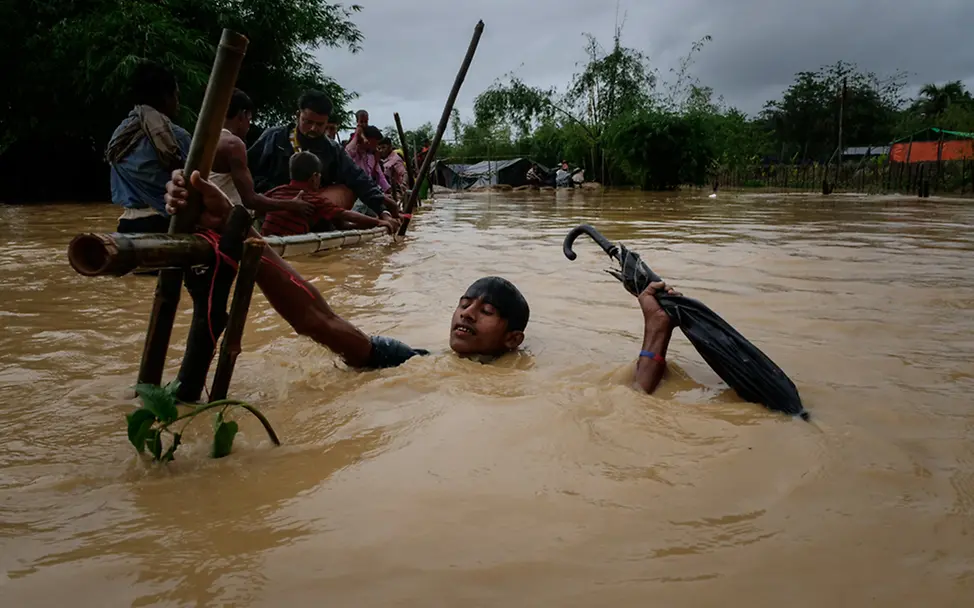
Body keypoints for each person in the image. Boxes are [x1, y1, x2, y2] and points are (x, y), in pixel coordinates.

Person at [163, 169, 679, 394]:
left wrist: (654, 331)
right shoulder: (413, 362)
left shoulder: (535, 382)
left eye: (485, 311)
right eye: (464, 303)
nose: (467, 313)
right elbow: (318, 319)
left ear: (514, 339)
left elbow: (631, 400)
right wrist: (239, 227)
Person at [246, 90, 400, 219]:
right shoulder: (274, 138)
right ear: (297, 115)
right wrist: (282, 198)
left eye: (319, 124)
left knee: (347, 190)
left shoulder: (332, 148)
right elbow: (247, 171)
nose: (313, 128)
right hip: (274, 202)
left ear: (326, 122)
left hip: (314, 207)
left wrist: (382, 209)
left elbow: (358, 178)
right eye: (307, 122)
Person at [106, 60, 192, 233]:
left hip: (127, 226)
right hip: (164, 225)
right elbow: (195, 186)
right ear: (165, 97)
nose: (178, 103)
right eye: (176, 95)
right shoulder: (177, 136)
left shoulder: (118, 136)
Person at [210, 88, 314, 220]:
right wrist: (291, 204)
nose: (249, 125)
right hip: (225, 221)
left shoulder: (206, 137)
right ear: (242, 115)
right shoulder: (233, 144)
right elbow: (250, 200)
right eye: (250, 118)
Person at [261, 152, 399, 237]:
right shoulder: (313, 199)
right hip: (288, 246)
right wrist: (380, 222)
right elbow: (346, 214)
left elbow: (258, 208)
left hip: (266, 239)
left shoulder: (275, 192)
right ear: (315, 177)